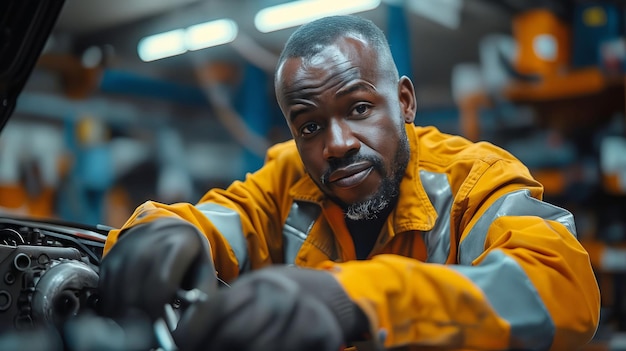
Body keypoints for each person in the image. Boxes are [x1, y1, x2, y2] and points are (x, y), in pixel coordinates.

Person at [98, 15, 601, 351]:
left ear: (404, 102)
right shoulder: (286, 179)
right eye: (310, 126)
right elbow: (217, 220)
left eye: (359, 109)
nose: (336, 144)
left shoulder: (474, 179)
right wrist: (158, 232)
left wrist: (355, 298)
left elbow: (563, 289)